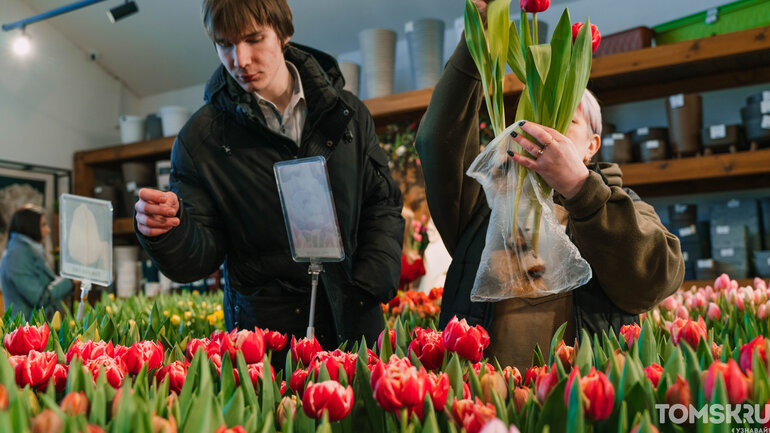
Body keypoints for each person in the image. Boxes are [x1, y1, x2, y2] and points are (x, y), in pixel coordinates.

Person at [414, 0, 685, 369]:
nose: (548, 129)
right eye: (537, 116)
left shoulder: (621, 206)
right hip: (482, 398)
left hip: (580, 403)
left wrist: (579, 189)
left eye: (566, 119)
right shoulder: (486, 205)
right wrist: (478, 34)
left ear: (592, 144)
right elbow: (437, 141)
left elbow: (655, 279)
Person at [133, 0, 403, 356]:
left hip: (356, 327)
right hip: (265, 346)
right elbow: (201, 255)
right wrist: (169, 230)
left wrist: (369, 284)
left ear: (284, 32)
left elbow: (381, 204)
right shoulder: (201, 140)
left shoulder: (349, 113)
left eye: (253, 39)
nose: (240, 59)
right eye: (224, 44)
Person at [1, 205, 74, 319]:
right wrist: (70, 281)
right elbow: (39, 297)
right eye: (43, 225)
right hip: (26, 330)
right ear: (30, 227)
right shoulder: (16, 255)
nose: (48, 230)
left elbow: (47, 285)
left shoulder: (28, 251)